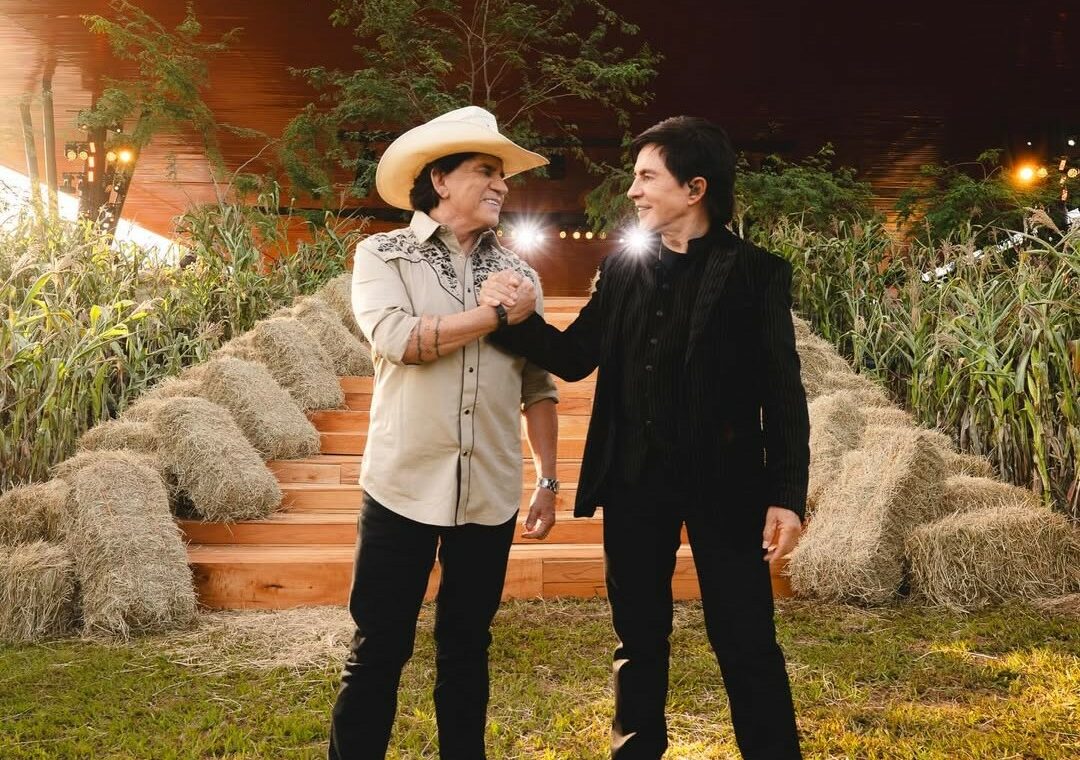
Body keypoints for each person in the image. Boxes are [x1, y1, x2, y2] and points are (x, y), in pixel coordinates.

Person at [481, 116, 809, 759]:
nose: (632, 191)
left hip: (728, 486)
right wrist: (515, 320)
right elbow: (574, 357)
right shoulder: (622, 269)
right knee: (637, 639)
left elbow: (783, 391)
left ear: (694, 188)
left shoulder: (758, 273)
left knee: (745, 639)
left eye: (646, 177)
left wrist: (786, 495)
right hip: (633, 481)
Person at [329, 105, 561, 760]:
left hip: (490, 494)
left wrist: (547, 479)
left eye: (502, 174)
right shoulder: (381, 255)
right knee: (377, 649)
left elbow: (539, 387)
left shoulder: (522, 278)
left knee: (467, 650)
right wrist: (496, 316)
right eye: (486, 170)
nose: (501, 185)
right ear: (440, 179)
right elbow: (399, 339)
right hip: (400, 487)